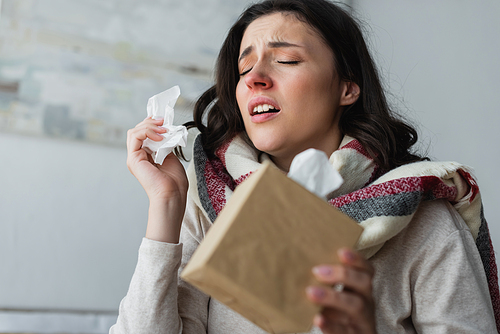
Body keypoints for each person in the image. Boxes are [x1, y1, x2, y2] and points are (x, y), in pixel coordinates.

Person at [110, 0, 499, 333]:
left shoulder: (422, 220)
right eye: (244, 70)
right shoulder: (208, 200)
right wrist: (167, 202)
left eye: (286, 60)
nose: (255, 79)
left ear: (347, 87)